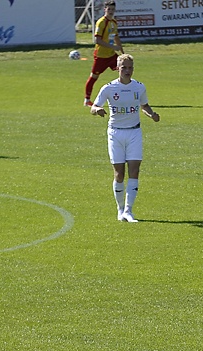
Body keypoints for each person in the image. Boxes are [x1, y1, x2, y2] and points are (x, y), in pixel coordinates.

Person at [91, 53, 159, 222]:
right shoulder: (108, 88)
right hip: (115, 133)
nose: (127, 71)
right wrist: (97, 110)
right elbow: (93, 106)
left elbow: (144, 105)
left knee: (134, 170)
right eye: (124, 68)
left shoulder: (139, 87)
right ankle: (120, 209)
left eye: (130, 68)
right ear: (117, 69)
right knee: (119, 174)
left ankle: (129, 211)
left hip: (134, 132)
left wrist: (151, 114)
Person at [83, 0, 122, 108]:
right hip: (101, 56)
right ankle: (87, 100)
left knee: (124, 71)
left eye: (112, 9)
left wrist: (122, 53)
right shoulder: (101, 22)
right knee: (94, 77)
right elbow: (97, 40)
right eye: (109, 9)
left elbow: (116, 37)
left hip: (112, 55)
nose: (111, 11)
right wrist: (113, 47)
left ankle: (121, 96)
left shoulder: (114, 22)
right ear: (104, 9)